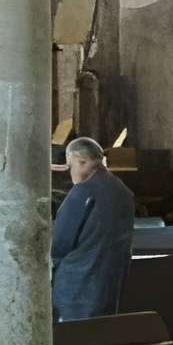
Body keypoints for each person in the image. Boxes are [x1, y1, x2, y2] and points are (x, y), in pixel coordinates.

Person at [51, 135, 135, 322]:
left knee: (74, 340)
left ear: (81, 161)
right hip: (111, 280)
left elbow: (60, 242)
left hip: (77, 284)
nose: (70, 172)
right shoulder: (122, 190)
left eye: (70, 165)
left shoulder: (84, 191)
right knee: (100, 334)